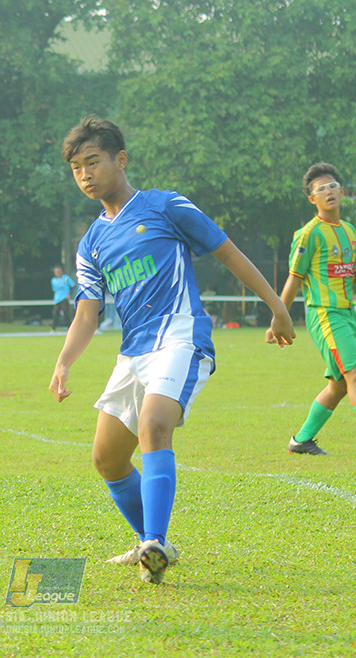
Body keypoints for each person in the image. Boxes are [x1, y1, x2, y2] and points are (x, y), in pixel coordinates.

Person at [49, 116, 295, 585]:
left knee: (155, 425)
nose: (85, 174)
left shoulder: (165, 207)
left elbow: (228, 252)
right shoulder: (91, 243)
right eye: (76, 168)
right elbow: (87, 313)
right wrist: (63, 363)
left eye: (93, 162)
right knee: (107, 459)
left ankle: (154, 546)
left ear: (120, 160)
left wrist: (277, 307)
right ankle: (151, 540)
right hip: (133, 353)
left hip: (181, 337)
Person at [271, 163, 356, 460]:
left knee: (339, 386)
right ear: (312, 199)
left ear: (342, 192)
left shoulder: (348, 230)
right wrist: (279, 316)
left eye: (332, 186)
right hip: (325, 314)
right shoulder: (308, 234)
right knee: (355, 374)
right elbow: (294, 277)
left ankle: (301, 440)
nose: (328, 191)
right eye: (320, 189)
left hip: (347, 313)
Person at [50, 265, 76, 331]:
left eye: (59, 271)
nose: (57, 273)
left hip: (64, 297)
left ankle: (70, 327)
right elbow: (54, 289)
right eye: (56, 272)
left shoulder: (66, 278)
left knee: (65, 312)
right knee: (56, 313)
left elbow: (73, 286)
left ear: (61, 271)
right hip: (57, 298)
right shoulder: (54, 280)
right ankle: (53, 328)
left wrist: (69, 294)